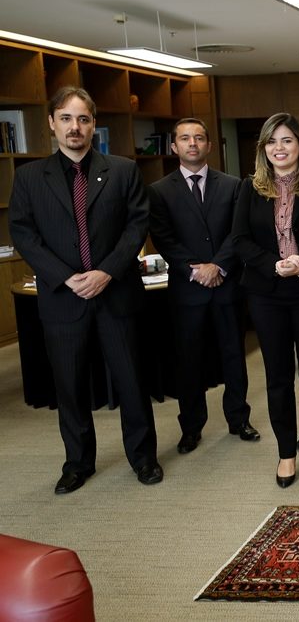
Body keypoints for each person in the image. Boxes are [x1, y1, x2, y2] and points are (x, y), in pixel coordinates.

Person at [9, 86, 161, 493]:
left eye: (83, 119)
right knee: (70, 387)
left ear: (94, 124)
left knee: (131, 381)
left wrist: (106, 272)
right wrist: (64, 276)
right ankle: (78, 463)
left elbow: (136, 227)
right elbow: (24, 234)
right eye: (66, 118)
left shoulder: (123, 170)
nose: (74, 127)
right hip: (63, 298)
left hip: (115, 293)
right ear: (52, 123)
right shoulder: (28, 177)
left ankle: (144, 459)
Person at [232, 113, 299, 487]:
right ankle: (285, 452)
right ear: (264, 149)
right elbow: (240, 240)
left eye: (287, 141)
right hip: (267, 294)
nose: (280, 148)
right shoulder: (249, 189)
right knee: (277, 377)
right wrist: (274, 265)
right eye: (272, 142)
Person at [148, 117, 259, 455]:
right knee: (189, 361)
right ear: (174, 147)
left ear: (209, 145)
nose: (192, 143)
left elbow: (238, 232)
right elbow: (163, 238)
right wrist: (195, 270)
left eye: (198, 138)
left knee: (233, 356)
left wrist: (219, 265)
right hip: (187, 289)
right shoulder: (159, 190)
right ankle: (191, 427)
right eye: (185, 138)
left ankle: (238, 419)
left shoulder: (233, 185)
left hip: (227, 285)